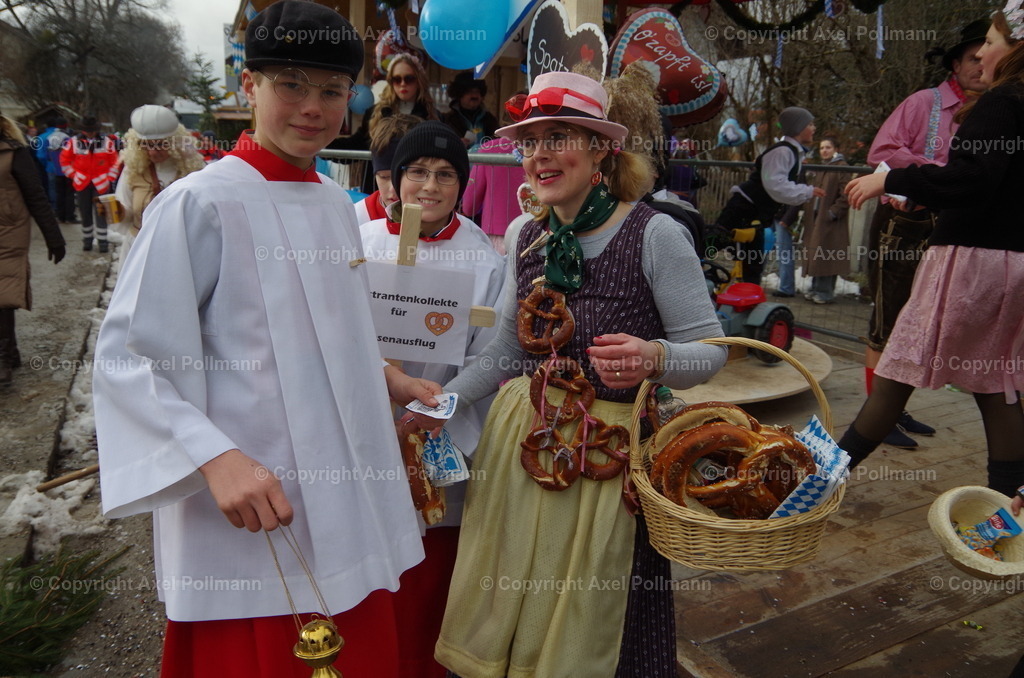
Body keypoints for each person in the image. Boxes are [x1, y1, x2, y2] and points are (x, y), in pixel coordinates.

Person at [91, 3, 443, 676]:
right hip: (259, 506)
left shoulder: (334, 207)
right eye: (290, 85)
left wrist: (380, 373)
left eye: (332, 90)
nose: (313, 107)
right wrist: (214, 458)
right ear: (248, 86)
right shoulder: (198, 205)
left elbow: (322, 335)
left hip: (346, 499)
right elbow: (128, 358)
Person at [431, 71, 727, 678]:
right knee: (520, 596)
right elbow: (509, 350)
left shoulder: (656, 233)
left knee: (603, 613)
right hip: (527, 445)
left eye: (558, 136)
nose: (538, 155)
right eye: (529, 141)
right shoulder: (525, 235)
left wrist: (656, 357)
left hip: (612, 457)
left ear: (600, 148)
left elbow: (713, 351)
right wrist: (440, 403)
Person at [840, 7, 1024, 504]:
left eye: (990, 42)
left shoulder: (1001, 102)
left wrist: (890, 178)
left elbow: (971, 179)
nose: (981, 53)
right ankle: (1008, 517)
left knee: (897, 374)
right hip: (1010, 262)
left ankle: (805, 484)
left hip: (970, 261)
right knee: (995, 382)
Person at [360, 121, 505, 678]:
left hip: (441, 427)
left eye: (445, 175)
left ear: (461, 186)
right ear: (395, 181)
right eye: (416, 171)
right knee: (373, 559)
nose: (430, 184)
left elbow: (488, 354)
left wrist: (436, 412)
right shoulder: (363, 245)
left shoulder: (483, 260)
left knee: (431, 568)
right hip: (368, 426)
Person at [862, 18, 988, 449]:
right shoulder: (923, 102)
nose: (980, 64)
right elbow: (882, 150)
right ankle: (874, 413)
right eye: (973, 57)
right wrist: (940, 174)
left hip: (951, 229)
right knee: (887, 320)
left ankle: (894, 407)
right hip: (905, 224)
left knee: (914, 322)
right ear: (955, 63)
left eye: (985, 55)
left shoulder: (992, 112)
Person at [712, 107, 824, 289]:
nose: (814, 128)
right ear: (798, 127)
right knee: (714, 241)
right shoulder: (782, 152)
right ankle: (685, 272)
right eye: (810, 124)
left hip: (757, 213)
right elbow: (776, 186)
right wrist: (807, 191)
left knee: (753, 261)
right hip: (744, 207)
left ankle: (748, 298)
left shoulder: (794, 152)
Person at [0, 110, 67, 386]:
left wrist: (54, 237)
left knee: (3, 291)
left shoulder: (13, 152)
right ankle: (10, 351)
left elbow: (36, 195)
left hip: (8, 231)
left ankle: (2, 359)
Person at [111, 105, 204, 252]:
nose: (152, 152)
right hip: (138, 249)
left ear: (175, 142)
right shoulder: (133, 170)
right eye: (145, 145)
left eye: (160, 145)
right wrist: (115, 211)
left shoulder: (194, 171)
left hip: (181, 251)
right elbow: (127, 212)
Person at [800, 136, 851, 304]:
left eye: (828, 147)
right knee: (817, 255)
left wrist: (833, 213)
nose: (824, 150)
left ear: (835, 149)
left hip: (830, 221)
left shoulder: (841, 168)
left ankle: (825, 292)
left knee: (827, 256)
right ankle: (815, 288)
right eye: (822, 148)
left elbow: (846, 194)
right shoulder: (822, 167)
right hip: (817, 219)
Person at [59, 115, 119, 253]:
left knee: (101, 213)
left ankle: (103, 241)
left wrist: (110, 178)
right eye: (87, 130)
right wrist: (73, 175)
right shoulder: (74, 142)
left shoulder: (107, 142)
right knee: (84, 213)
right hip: (82, 182)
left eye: (92, 130)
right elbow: (64, 161)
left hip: (101, 182)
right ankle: (87, 240)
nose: (90, 133)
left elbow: (114, 161)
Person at [353, 112, 421, 225]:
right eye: (384, 177)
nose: (393, 189)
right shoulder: (357, 218)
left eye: (401, 178)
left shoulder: (442, 219)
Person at [441, 71, 498, 150]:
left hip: (485, 161)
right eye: (469, 92)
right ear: (459, 94)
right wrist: (454, 144)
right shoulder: (446, 120)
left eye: (477, 91)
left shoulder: (491, 120)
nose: (474, 95)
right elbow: (439, 144)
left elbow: (499, 142)